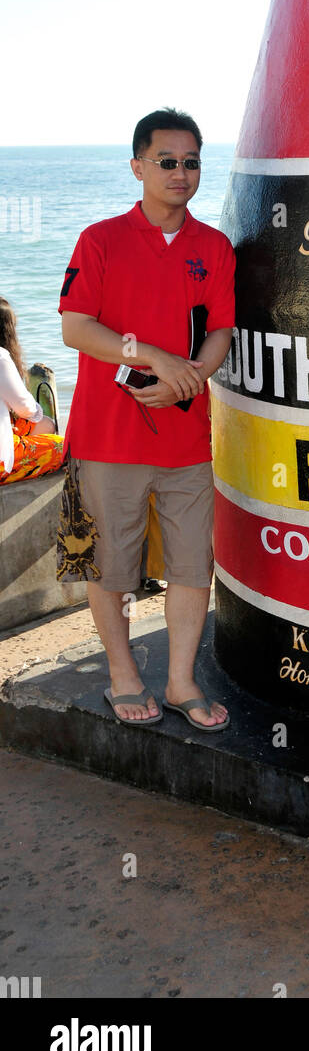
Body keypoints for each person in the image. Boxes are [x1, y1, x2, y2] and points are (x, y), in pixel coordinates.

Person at [59, 108, 235, 728]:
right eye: (167, 161)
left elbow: (219, 331)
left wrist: (191, 378)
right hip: (107, 438)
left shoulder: (213, 247)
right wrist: (157, 358)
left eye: (191, 162)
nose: (180, 173)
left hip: (188, 440)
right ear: (138, 166)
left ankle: (183, 681)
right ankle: (123, 675)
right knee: (110, 566)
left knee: (193, 566)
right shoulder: (99, 239)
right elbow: (76, 327)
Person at [0, 298, 65, 484]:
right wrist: (36, 414)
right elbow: (25, 408)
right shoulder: (1, 358)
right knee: (64, 446)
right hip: (2, 462)